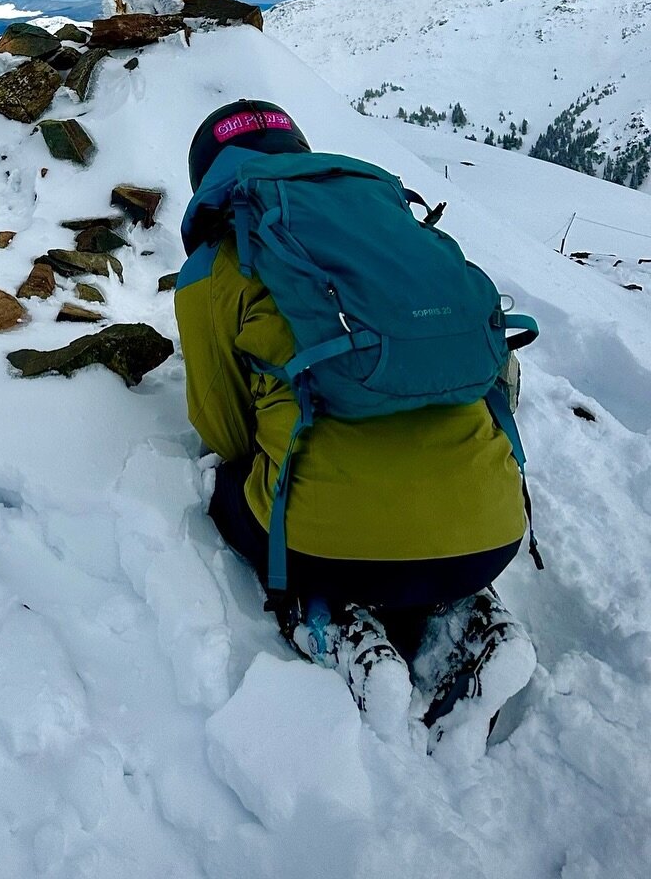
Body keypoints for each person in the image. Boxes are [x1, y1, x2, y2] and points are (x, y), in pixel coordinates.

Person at [175, 99, 537, 752]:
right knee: (425, 524)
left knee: (230, 491)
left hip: (325, 547)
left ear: (209, 176)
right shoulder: (391, 226)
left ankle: (332, 623)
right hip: (493, 531)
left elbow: (224, 430)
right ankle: (470, 615)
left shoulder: (216, 260)